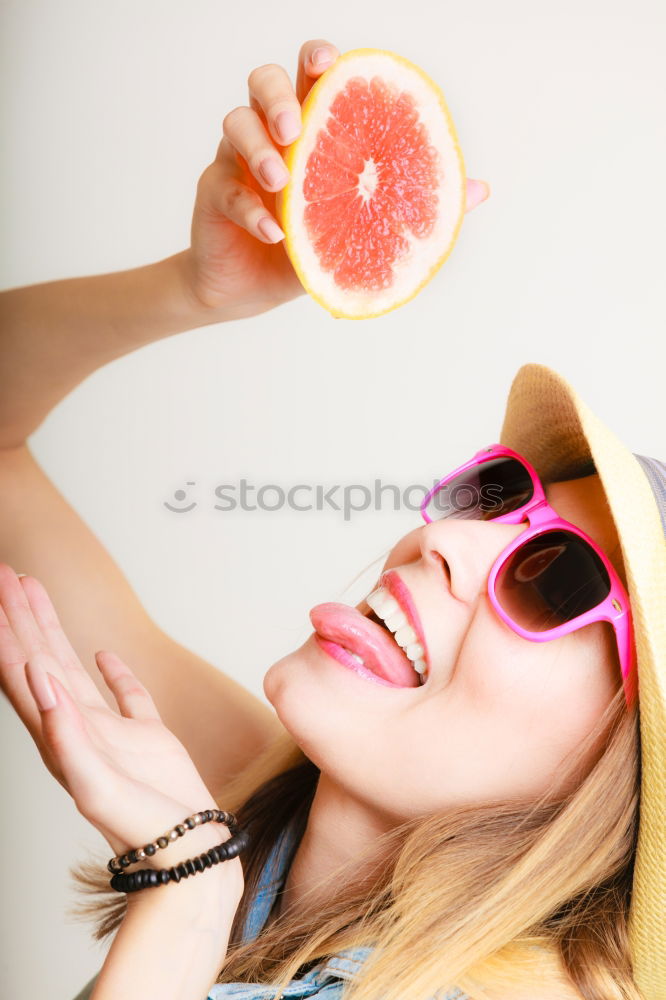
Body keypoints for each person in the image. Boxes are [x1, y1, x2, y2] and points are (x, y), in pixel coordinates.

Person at [0, 37, 663, 1000]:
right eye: (501, 492)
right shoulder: (256, 818)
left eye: (558, 576)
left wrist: (182, 907)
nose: (445, 536)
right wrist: (190, 289)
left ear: (621, 779)